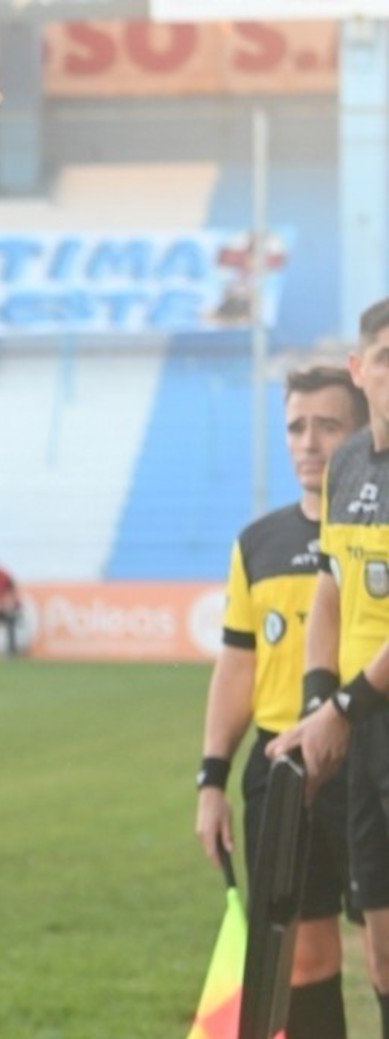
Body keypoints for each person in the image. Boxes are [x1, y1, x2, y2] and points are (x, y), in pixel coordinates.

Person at [196, 365, 367, 1039]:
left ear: (360, 432)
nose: (308, 442)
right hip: (281, 767)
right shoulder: (257, 543)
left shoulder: (369, 532)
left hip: (363, 757)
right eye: (296, 426)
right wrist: (210, 778)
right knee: (300, 957)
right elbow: (237, 664)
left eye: (328, 425)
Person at [272, 300, 389, 1039]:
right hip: (363, 723)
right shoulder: (348, 463)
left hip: (363, 709)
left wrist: (337, 710)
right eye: (385, 359)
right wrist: (319, 700)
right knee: (379, 954)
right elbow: (330, 587)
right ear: (359, 370)